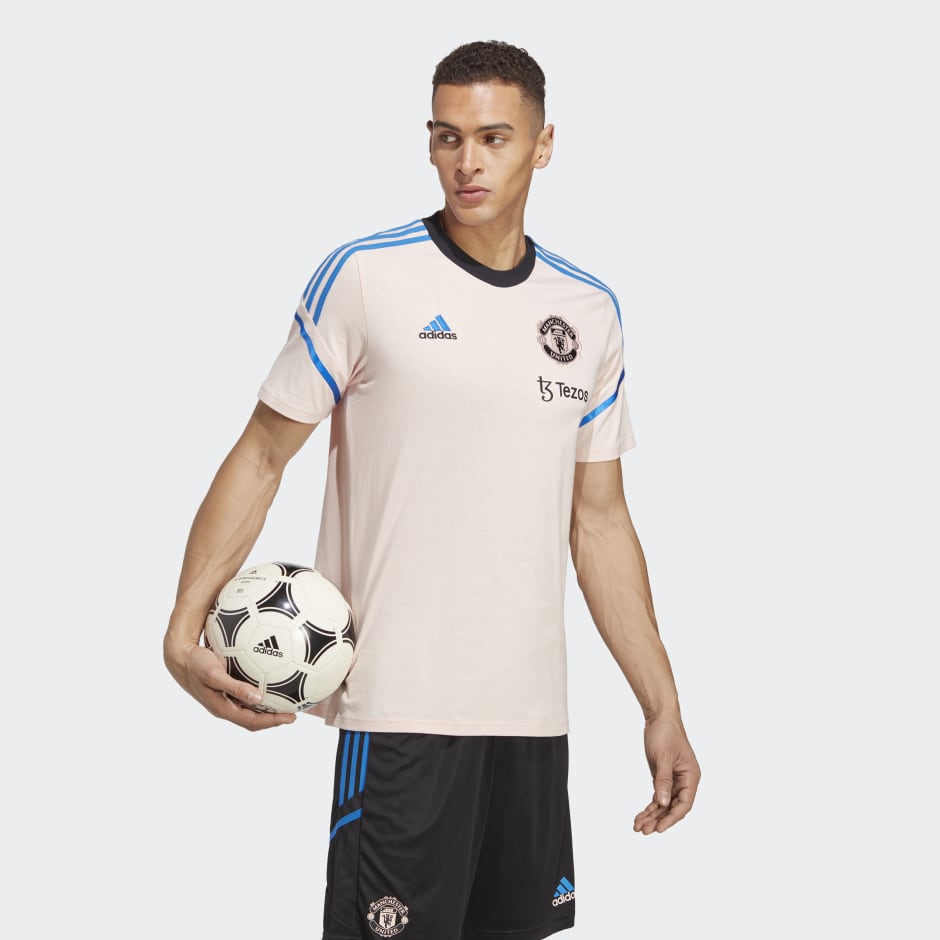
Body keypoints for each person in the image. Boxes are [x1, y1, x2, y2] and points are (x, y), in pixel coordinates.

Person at [164, 39, 700, 940]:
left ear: (544, 144)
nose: (467, 162)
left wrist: (662, 706)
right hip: (400, 710)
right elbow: (260, 456)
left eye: (493, 137)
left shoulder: (588, 310)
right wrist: (183, 629)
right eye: (448, 137)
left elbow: (601, 524)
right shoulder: (367, 276)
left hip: (533, 719)